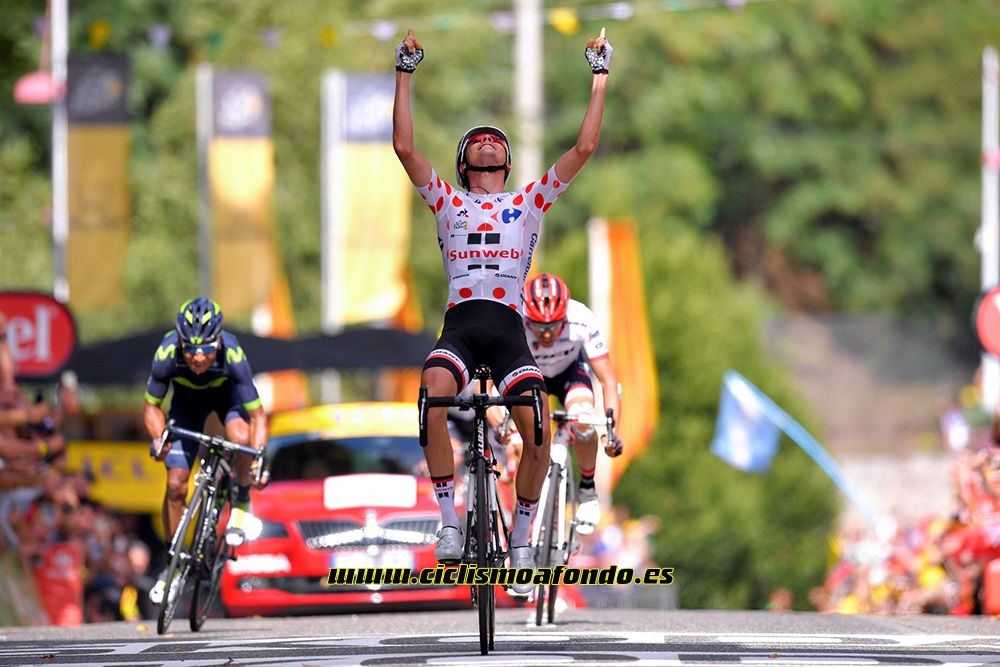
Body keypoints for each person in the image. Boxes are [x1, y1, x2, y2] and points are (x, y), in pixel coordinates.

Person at [392, 25, 611, 596]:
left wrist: (599, 77)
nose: (488, 141)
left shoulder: (528, 202)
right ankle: (447, 523)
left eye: (496, 139)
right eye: (478, 140)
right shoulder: (447, 200)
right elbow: (405, 149)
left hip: (508, 330)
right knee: (432, 390)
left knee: (538, 428)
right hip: (462, 327)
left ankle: (519, 538)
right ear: (465, 161)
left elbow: (584, 149)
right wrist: (404, 72)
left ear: (507, 161)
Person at [143, 297, 267, 605]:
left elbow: (258, 417)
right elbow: (151, 407)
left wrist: (258, 458)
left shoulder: (233, 354)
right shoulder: (167, 353)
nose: (198, 357)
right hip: (186, 406)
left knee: (240, 436)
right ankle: (172, 562)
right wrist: (159, 438)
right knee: (175, 483)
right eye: (191, 348)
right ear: (180, 342)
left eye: (207, 348)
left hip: (228, 401)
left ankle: (240, 500)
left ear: (219, 340)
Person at [521, 272, 622, 533]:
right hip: (531, 375)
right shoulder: (514, 319)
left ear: (564, 316)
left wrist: (611, 434)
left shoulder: (581, 318)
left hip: (570, 373)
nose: (546, 334)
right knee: (523, 436)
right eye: (539, 326)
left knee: (584, 419)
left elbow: (608, 380)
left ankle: (587, 490)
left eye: (553, 325)